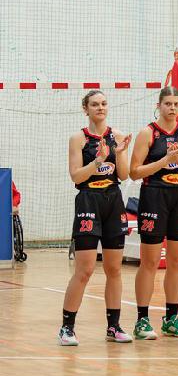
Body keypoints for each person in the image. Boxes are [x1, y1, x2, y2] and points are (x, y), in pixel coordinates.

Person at [59, 90, 133, 346]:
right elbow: (76, 176)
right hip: (88, 201)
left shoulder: (117, 136)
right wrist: (97, 161)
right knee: (85, 270)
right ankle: (67, 327)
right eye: (94, 104)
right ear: (85, 109)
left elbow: (123, 175)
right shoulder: (77, 139)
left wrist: (120, 153)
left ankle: (113, 326)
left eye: (103, 103)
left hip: (113, 201)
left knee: (114, 269)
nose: (100, 107)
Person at [130, 86, 178, 338]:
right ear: (159, 105)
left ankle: (171, 318)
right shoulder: (148, 133)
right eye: (168, 104)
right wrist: (164, 161)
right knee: (150, 261)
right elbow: (134, 172)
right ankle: (141, 320)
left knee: (176, 262)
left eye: (176, 104)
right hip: (154, 197)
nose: (172, 108)